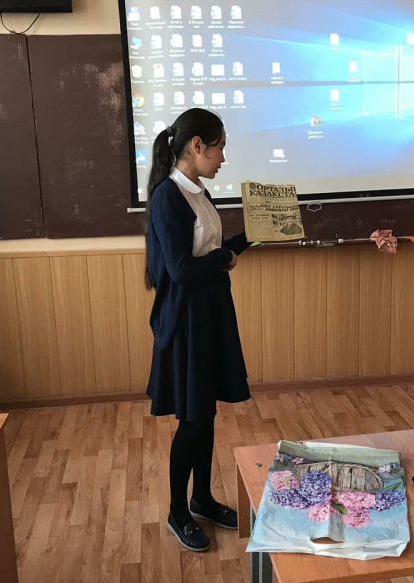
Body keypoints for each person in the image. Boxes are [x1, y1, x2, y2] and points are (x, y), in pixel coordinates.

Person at [144, 108, 251, 551]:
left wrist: (252, 236)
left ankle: (202, 498)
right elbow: (181, 269)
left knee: (205, 414)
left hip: (210, 313)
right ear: (196, 146)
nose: (223, 157)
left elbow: (210, 250)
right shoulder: (167, 198)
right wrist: (224, 259)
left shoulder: (198, 192)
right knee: (191, 421)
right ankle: (177, 511)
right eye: (219, 147)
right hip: (187, 320)